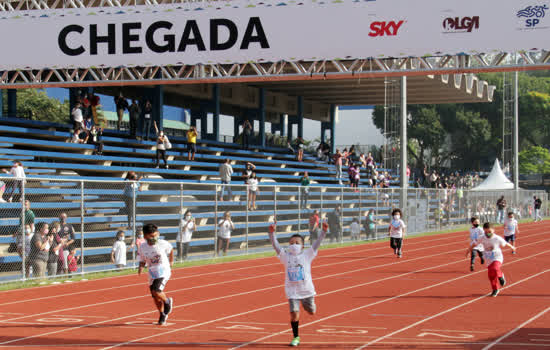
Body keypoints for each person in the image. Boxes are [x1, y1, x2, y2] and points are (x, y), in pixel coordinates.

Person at [268, 220, 327, 347]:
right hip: (292, 291)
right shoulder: (285, 256)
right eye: (291, 243)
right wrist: (272, 233)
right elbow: (275, 245)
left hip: (306, 290)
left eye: (297, 243)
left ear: (303, 246)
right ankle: (296, 337)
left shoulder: (307, 254)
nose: (294, 245)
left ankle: (309, 306)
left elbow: (317, 244)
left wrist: (323, 231)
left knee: (311, 311)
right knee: (294, 313)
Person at [138, 223, 174, 325]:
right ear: (145, 236)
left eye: (155, 235)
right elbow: (142, 259)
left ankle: (167, 301)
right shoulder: (142, 246)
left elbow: (171, 250)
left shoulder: (162, 243)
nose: (154, 238)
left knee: (156, 290)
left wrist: (171, 261)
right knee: (155, 296)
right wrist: (141, 267)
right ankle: (162, 314)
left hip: (163, 269)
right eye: (151, 236)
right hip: (152, 271)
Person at [470, 222, 516, 297]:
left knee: (495, 268)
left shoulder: (497, 238)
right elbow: (474, 244)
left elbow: (505, 243)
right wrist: (468, 251)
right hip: (488, 259)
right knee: (491, 275)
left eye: (489, 232)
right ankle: (495, 289)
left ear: (493, 230)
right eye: (486, 232)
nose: (487, 233)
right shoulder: (482, 237)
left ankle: (501, 276)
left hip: (497, 257)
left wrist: (512, 247)